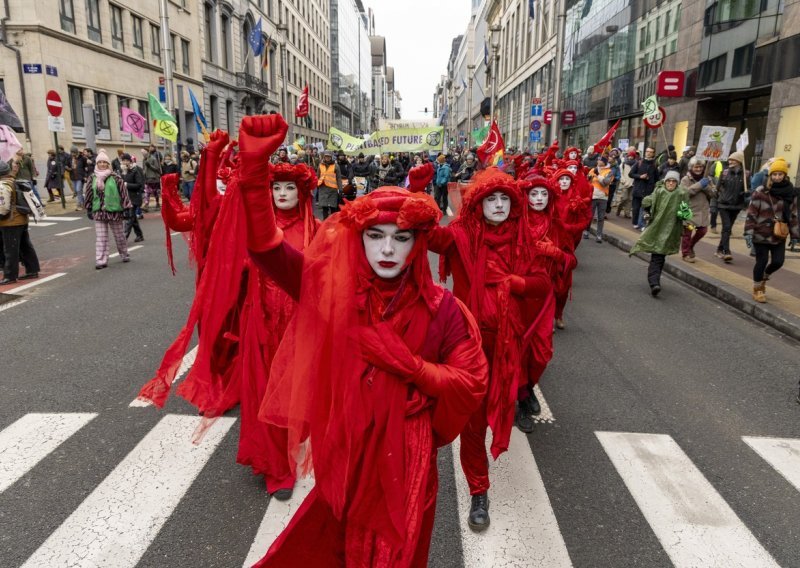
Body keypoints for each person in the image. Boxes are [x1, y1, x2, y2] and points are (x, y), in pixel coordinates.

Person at [235, 115, 488, 567]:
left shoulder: (443, 311)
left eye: (400, 238)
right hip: (346, 451)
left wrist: (414, 369)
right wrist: (254, 175)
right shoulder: (335, 294)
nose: (387, 250)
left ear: (416, 244)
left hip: (408, 461)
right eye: (375, 236)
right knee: (335, 550)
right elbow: (268, 251)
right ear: (361, 239)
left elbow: (470, 382)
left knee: (400, 555)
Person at [428, 168, 551, 531]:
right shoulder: (462, 235)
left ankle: (518, 404)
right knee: (473, 419)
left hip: (508, 342)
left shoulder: (522, 236)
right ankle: (478, 489)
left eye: (504, 199)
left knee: (503, 401)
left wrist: (517, 283)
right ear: (477, 204)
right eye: (490, 199)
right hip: (470, 343)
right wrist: (419, 192)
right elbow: (431, 238)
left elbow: (542, 284)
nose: (498, 205)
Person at [744, 158, 800, 303]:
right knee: (761, 261)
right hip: (760, 233)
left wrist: (795, 235)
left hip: (779, 234)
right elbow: (751, 213)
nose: (777, 177)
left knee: (778, 261)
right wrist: (748, 232)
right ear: (770, 175)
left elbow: (793, 215)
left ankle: (764, 276)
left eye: (780, 174)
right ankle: (758, 289)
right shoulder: (761, 191)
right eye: (774, 174)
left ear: (785, 175)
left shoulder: (791, 193)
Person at [629, 170, 690, 296]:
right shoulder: (659, 191)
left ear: (677, 183)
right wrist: (646, 212)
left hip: (670, 231)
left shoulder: (681, 194)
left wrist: (683, 213)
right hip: (656, 228)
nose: (671, 183)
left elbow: (685, 213)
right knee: (657, 256)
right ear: (665, 181)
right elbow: (647, 202)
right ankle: (654, 283)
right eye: (669, 181)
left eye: (674, 181)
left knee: (660, 256)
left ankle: (655, 280)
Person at [84, 150, 132, 269]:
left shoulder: (115, 178)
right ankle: (101, 260)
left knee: (120, 236)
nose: (102, 164)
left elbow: (123, 193)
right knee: (101, 238)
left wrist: (127, 207)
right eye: (99, 162)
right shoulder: (92, 178)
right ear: (96, 164)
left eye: (104, 162)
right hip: (99, 211)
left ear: (108, 164)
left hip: (114, 211)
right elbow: (89, 192)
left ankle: (124, 254)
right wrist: (89, 208)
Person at [0, 159, 40, 284]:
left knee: (10, 249)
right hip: (21, 218)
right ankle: (32, 270)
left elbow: (3, 207)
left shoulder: (3, 185)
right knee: (25, 246)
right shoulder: (13, 181)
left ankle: (10, 276)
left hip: (10, 222)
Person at [714, 150, 748, 262]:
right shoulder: (724, 173)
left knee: (727, 229)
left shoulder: (746, 174)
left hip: (737, 205)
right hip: (723, 205)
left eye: (733, 159)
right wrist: (720, 198)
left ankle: (719, 249)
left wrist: (746, 193)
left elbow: (750, 188)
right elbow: (717, 189)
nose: (730, 161)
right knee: (727, 227)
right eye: (730, 159)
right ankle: (726, 251)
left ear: (739, 161)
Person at [680, 158, 716, 262]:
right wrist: (700, 184)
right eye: (696, 167)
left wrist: (706, 186)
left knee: (702, 231)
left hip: (702, 212)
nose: (698, 169)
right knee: (687, 233)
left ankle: (691, 246)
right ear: (691, 167)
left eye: (700, 167)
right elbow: (684, 194)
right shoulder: (685, 179)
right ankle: (685, 254)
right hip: (689, 212)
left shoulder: (708, 179)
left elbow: (714, 194)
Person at [585, 155, 614, 243]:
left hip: (603, 197)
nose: (598, 161)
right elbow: (587, 180)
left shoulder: (609, 171)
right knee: (590, 216)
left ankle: (599, 235)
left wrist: (598, 176)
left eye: (600, 160)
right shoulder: (593, 169)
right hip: (592, 196)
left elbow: (605, 183)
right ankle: (586, 231)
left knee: (601, 217)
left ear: (604, 162)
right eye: (598, 159)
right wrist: (589, 177)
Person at [629, 147, 658, 229]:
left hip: (648, 190)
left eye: (651, 152)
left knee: (646, 209)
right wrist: (640, 176)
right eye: (647, 151)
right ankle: (635, 223)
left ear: (653, 154)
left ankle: (643, 224)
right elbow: (631, 174)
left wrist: (653, 185)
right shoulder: (639, 162)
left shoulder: (654, 165)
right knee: (636, 208)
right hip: (638, 189)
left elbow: (657, 178)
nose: (648, 153)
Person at [120, 153, 144, 242]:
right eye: (123, 160)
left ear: (130, 161)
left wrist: (127, 184)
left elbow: (139, 184)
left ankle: (123, 237)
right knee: (133, 218)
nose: (125, 162)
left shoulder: (135, 170)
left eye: (127, 160)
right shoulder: (122, 171)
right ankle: (139, 235)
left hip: (134, 197)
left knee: (130, 217)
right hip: (125, 197)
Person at [316, 151, 342, 219]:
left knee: (333, 207)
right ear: (324, 157)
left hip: (332, 189)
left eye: (329, 156)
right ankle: (325, 222)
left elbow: (338, 178)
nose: (327, 158)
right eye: (326, 156)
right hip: (323, 188)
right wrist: (315, 185)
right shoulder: (320, 165)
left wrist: (340, 188)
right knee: (324, 208)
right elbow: (317, 176)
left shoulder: (336, 166)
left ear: (331, 157)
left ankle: (332, 222)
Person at [615, 149, 635, 218]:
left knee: (630, 199)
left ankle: (627, 213)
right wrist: (623, 181)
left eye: (632, 156)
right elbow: (621, 173)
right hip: (625, 183)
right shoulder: (623, 164)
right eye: (630, 156)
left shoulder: (635, 164)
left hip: (632, 184)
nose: (631, 157)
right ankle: (619, 208)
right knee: (624, 198)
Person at [141, 148, 162, 212]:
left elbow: (157, 168)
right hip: (147, 178)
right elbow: (144, 169)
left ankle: (157, 203)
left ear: (147, 152)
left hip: (153, 178)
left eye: (144, 152)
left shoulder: (153, 158)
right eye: (141, 152)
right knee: (147, 192)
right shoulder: (144, 160)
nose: (142, 153)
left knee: (155, 192)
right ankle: (146, 205)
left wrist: (150, 165)